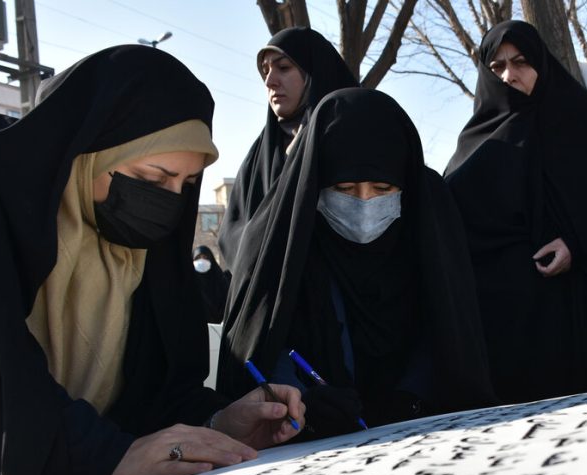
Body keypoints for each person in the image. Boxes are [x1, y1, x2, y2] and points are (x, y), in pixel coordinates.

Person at [0, 46, 303, 475]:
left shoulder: (135, 242)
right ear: (85, 149)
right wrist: (105, 456)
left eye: (186, 186)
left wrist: (217, 421)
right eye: (153, 176)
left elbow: (149, 395)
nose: (169, 201)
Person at [217, 88, 494, 436]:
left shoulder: (427, 225)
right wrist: (302, 402)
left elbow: (450, 330)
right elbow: (261, 344)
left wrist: (414, 395)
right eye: (345, 189)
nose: (364, 203)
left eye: (382, 189)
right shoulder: (280, 242)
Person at [444, 21, 587, 405]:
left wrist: (577, 243)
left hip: (573, 326)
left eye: (520, 62)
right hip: (500, 334)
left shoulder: (581, 121)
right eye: (497, 67)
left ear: (541, 64)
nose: (510, 75)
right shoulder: (474, 142)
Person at [218, 27, 357, 271]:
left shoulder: (348, 138)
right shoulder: (258, 157)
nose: (270, 81)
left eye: (283, 68)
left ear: (312, 73)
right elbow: (233, 239)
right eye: (265, 71)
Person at [192, 245, 229, 323]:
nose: (202, 261)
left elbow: (226, 303)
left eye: (205, 258)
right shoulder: (189, 283)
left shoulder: (221, 281)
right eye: (198, 258)